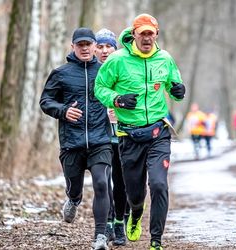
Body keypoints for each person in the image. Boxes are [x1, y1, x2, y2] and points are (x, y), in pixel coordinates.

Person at [94, 14, 186, 250]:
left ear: (157, 35)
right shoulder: (117, 60)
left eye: (150, 33)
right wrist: (117, 99)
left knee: (158, 185)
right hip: (129, 136)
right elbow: (99, 87)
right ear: (133, 34)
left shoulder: (164, 59)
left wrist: (178, 90)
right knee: (134, 193)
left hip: (158, 133)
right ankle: (136, 212)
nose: (146, 38)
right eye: (142, 33)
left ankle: (156, 240)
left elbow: (174, 86)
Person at [39, 27, 112, 250]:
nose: (84, 48)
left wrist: (117, 107)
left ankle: (100, 236)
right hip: (72, 142)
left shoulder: (106, 71)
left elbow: (119, 94)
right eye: (80, 45)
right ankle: (73, 199)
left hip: (100, 140)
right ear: (73, 47)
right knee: (74, 187)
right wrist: (63, 111)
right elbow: (45, 101)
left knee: (101, 183)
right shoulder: (61, 73)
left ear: (94, 46)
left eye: (88, 44)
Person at [95, 28, 129, 246]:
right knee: (102, 182)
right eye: (101, 46)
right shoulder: (91, 71)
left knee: (122, 182)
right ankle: (107, 223)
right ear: (95, 49)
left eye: (109, 46)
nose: (105, 50)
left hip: (124, 136)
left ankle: (120, 222)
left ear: (115, 49)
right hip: (100, 137)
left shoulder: (123, 68)